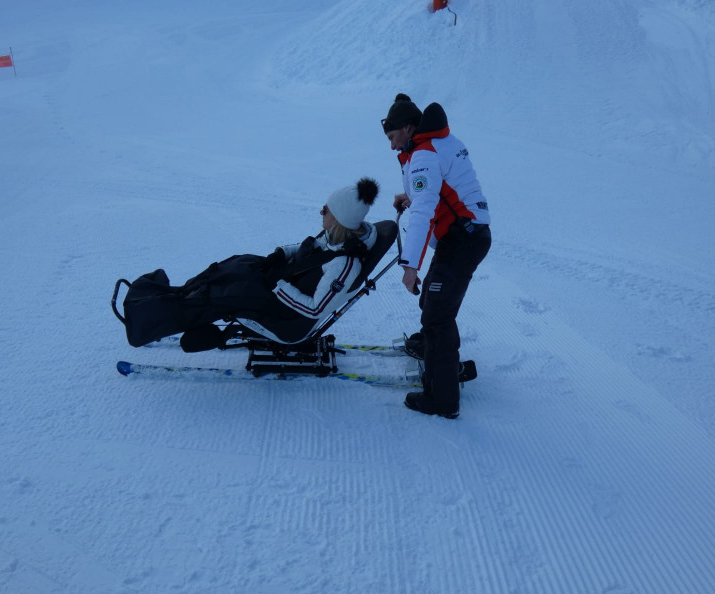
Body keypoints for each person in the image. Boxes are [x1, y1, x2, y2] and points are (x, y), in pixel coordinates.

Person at [118, 178, 380, 349]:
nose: (320, 213)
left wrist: (277, 285)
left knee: (225, 295)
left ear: (339, 220)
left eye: (326, 210)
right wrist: (282, 253)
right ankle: (177, 294)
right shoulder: (335, 238)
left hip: (287, 320)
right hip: (281, 286)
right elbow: (310, 249)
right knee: (235, 266)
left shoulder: (344, 267)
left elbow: (313, 310)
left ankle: (152, 318)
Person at [381, 93, 491, 419]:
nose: (390, 146)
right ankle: (434, 353)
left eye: (392, 137)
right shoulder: (438, 141)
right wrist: (411, 196)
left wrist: (410, 266)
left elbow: (425, 212)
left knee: (437, 315)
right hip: (465, 232)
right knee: (432, 299)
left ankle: (442, 400)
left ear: (409, 127)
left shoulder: (425, 154)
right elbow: (436, 191)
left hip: (463, 238)